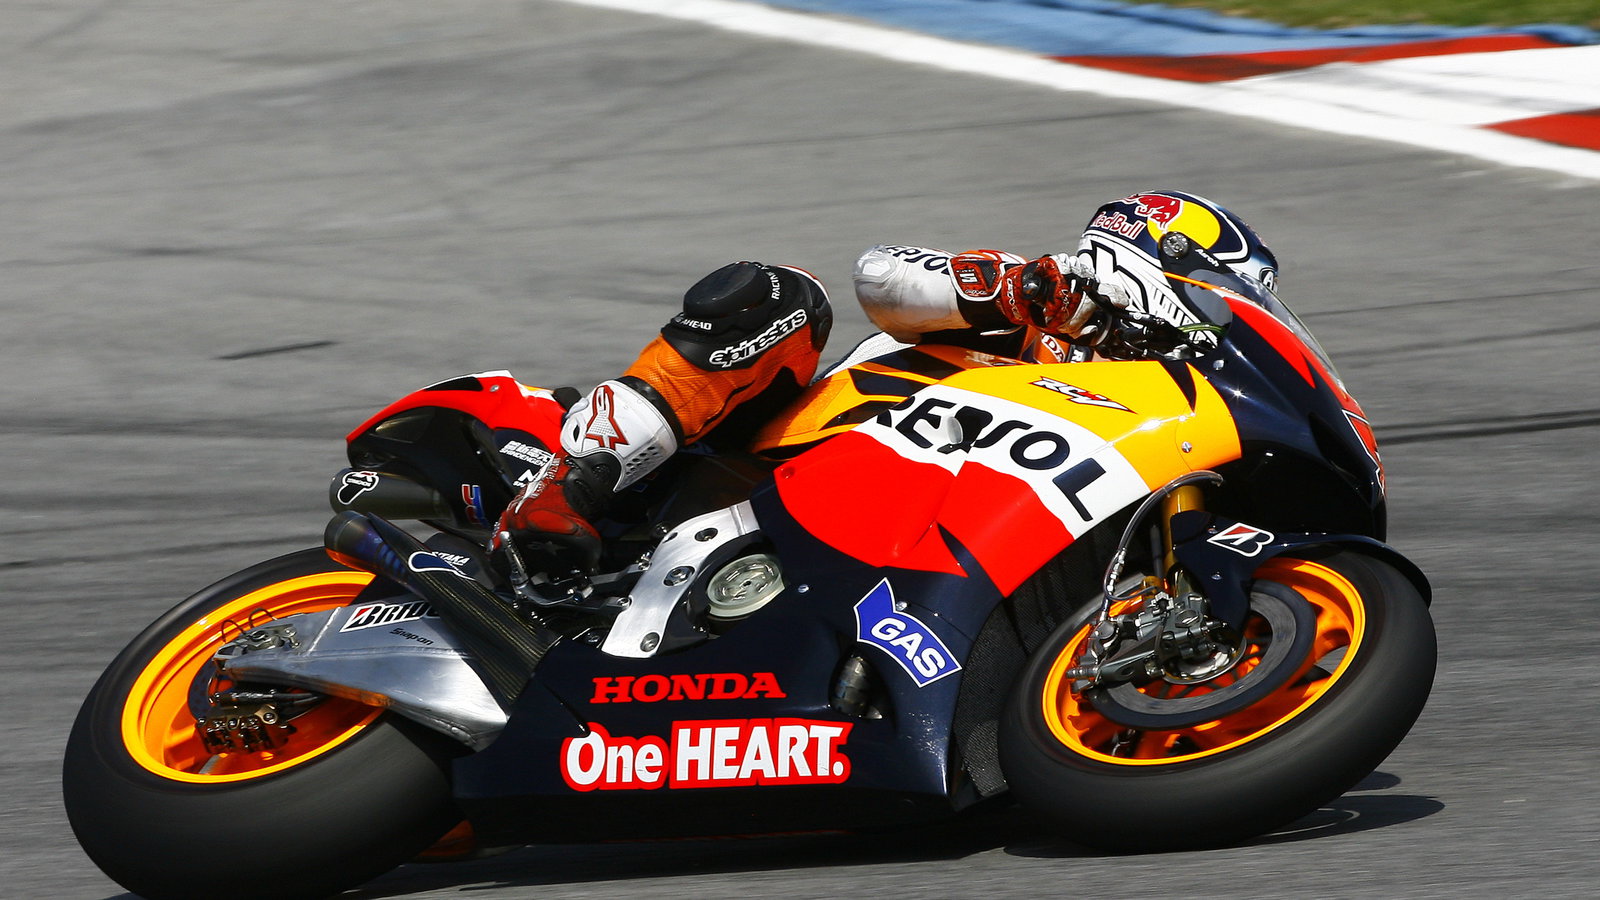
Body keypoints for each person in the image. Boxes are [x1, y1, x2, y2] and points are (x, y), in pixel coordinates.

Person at [492, 190, 1278, 571]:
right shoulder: (1036, 311)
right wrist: (1026, 291)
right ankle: (572, 480)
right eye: (1225, 290)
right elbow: (881, 277)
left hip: (908, 546)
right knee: (779, 295)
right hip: (778, 460)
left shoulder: (1160, 409)